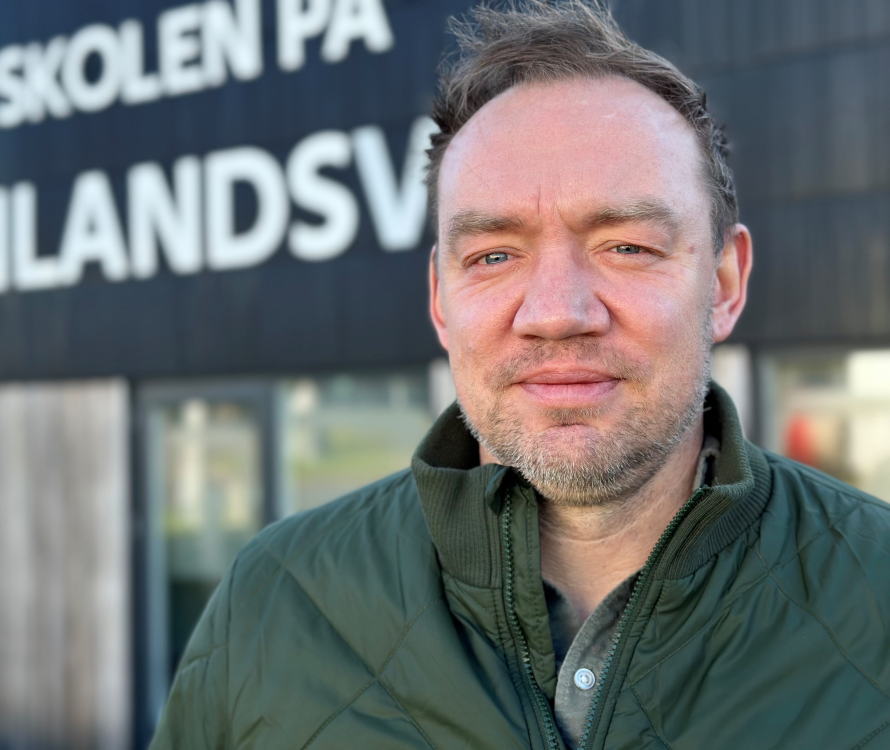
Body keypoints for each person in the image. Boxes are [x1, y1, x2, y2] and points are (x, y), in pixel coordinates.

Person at [150, 2, 890, 748]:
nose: (558, 313)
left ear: (725, 284)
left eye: (627, 246)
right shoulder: (275, 601)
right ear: (441, 301)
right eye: (494, 256)